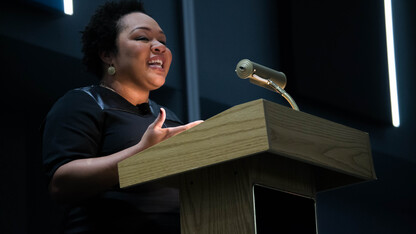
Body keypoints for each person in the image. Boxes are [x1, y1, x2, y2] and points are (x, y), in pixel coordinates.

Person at [41, 1, 202, 233]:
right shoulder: (82, 102)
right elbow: (62, 183)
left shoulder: (170, 117)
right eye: (142, 38)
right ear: (108, 54)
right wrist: (140, 153)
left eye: (162, 41)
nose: (159, 47)